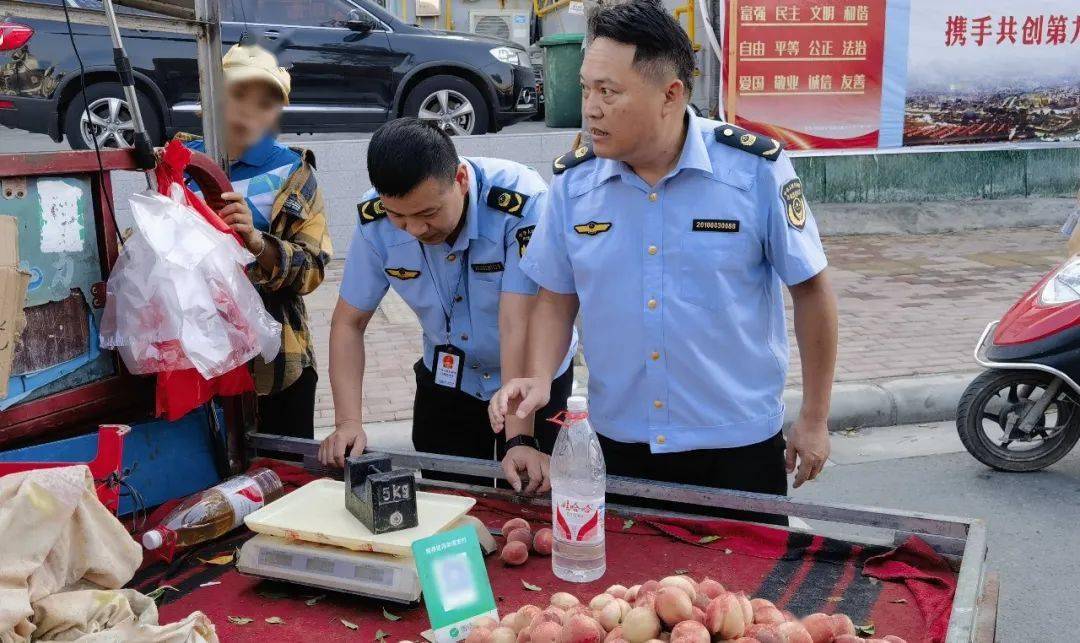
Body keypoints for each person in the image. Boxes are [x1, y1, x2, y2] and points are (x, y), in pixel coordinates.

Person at [489, 0, 838, 523]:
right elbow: (556, 300)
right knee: (628, 600)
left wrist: (814, 417)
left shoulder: (752, 170)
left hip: (737, 446)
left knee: (743, 601)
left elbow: (811, 290)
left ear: (670, 94)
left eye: (608, 92)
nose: (590, 108)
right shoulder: (574, 183)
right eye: (586, 89)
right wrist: (539, 379)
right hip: (620, 443)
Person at [318, 118, 576, 491]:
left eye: (428, 214)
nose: (416, 230)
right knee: (448, 500)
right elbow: (348, 323)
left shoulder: (520, 202)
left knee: (536, 497)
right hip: (449, 379)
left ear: (460, 180)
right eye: (398, 217)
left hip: (532, 385)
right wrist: (347, 423)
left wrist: (520, 439)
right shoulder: (374, 219)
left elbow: (518, 321)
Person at [181, 44, 333, 442]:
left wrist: (255, 240)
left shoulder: (294, 174)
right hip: (197, 362)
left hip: (276, 366)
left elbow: (313, 268)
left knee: (282, 478)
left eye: (265, 103)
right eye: (238, 95)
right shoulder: (180, 166)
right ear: (209, 100)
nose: (250, 111)